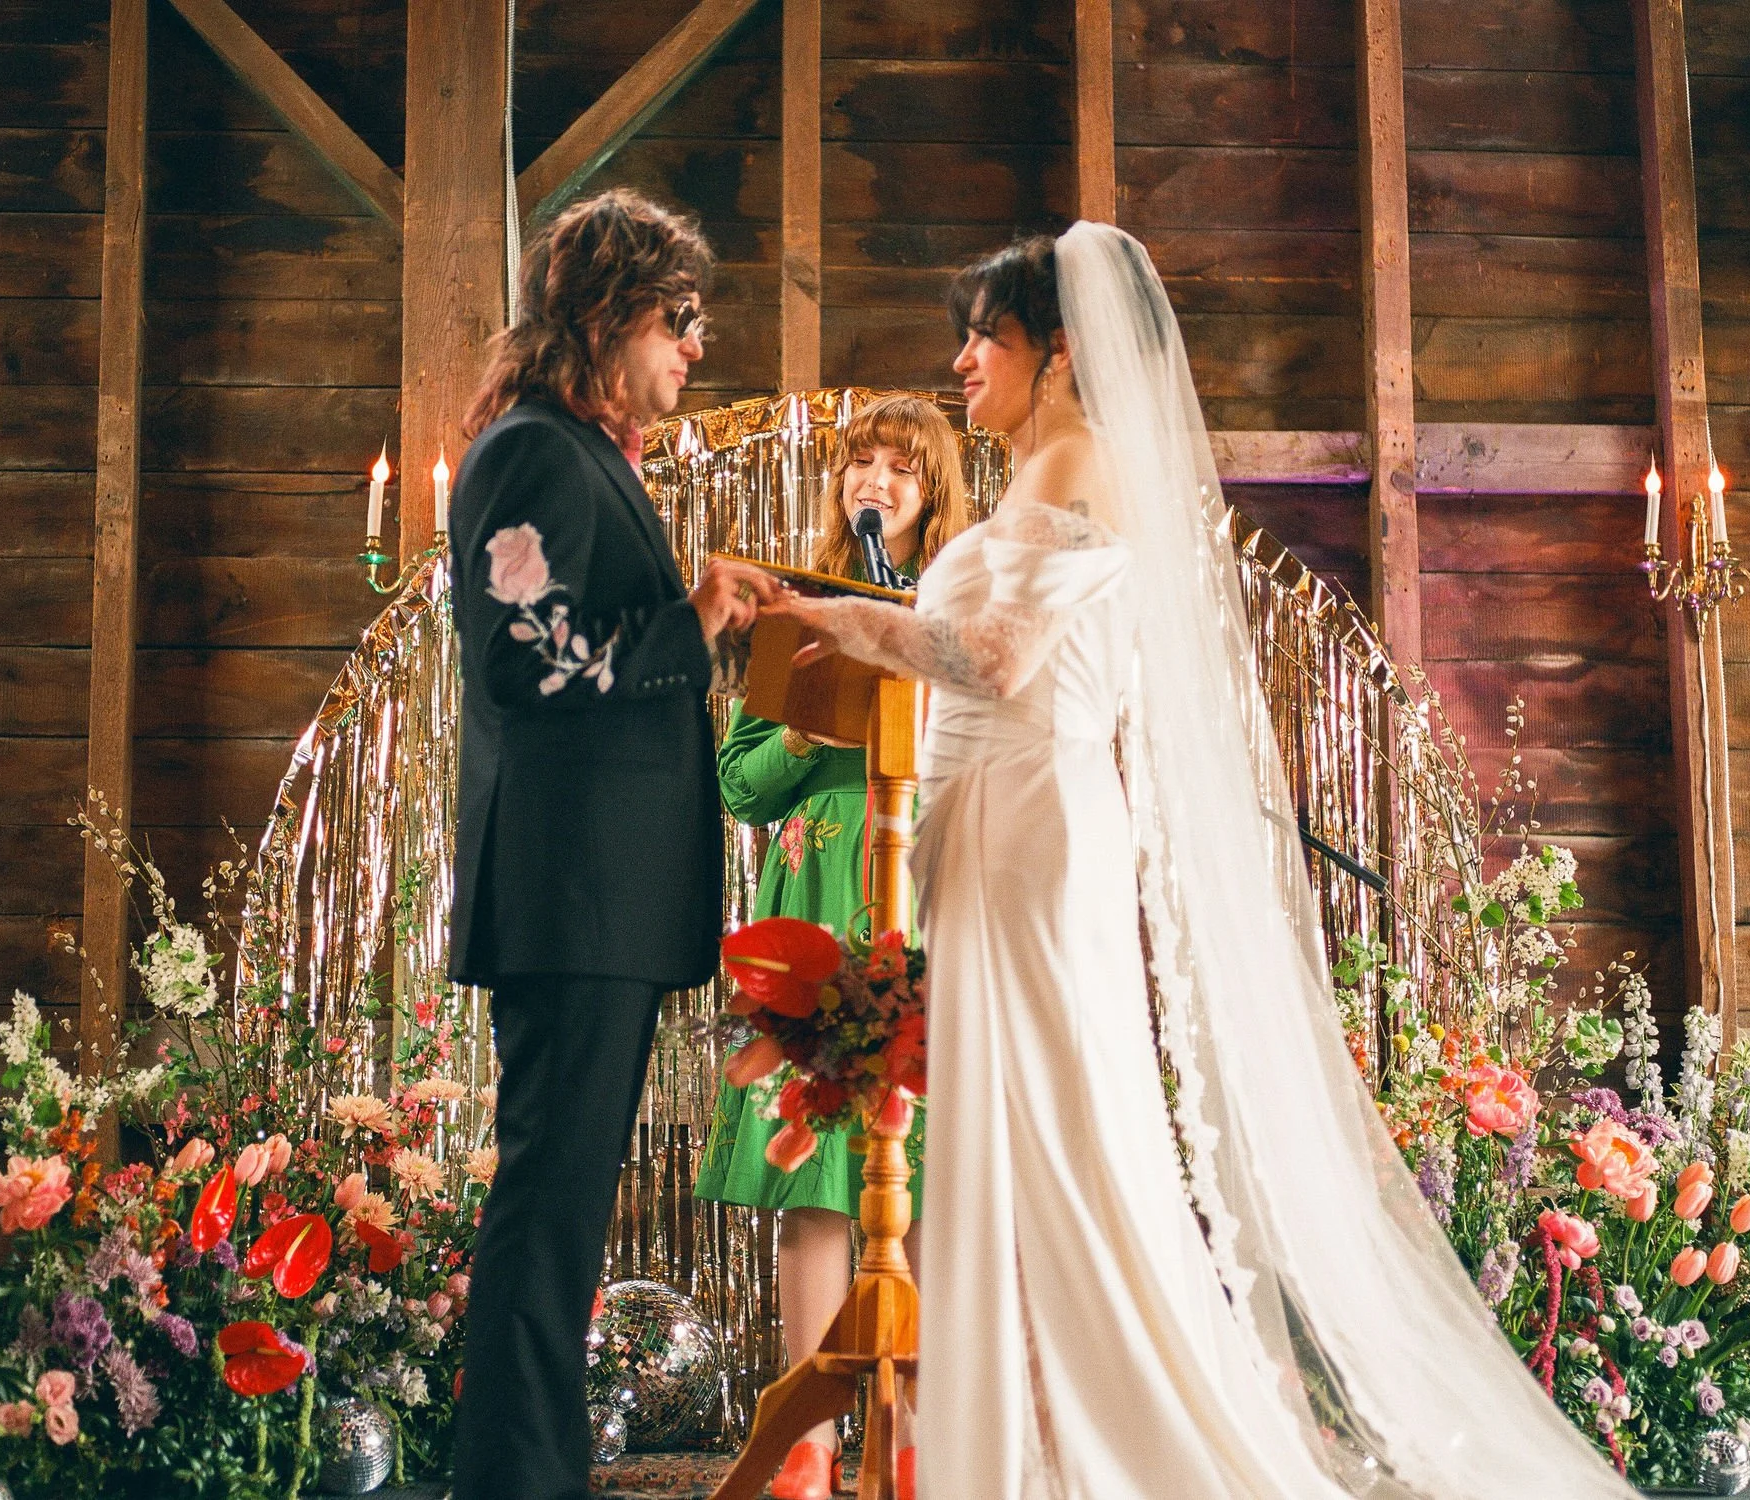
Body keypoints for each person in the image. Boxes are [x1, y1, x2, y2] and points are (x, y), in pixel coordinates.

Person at [763, 225, 1640, 1500]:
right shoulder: (1037, 469)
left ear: (1057, 355)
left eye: (983, 339)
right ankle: (1016, 1433)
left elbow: (998, 660)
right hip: (985, 822)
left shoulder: (1089, 465)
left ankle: (1080, 1444)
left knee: (1056, 1139)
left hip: (1028, 823)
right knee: (1008, 1137)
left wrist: (833, 618)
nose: (959, 362)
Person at [444, 188, 775, 1500]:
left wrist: (700, 622)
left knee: (563, 1216)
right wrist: (690, 622)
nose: (696, 348)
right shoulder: (528, 455)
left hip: (599, 906)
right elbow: (526, 658)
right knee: (547, 1210)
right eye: (681, 319)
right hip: (569, 899)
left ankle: (527, 1475)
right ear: (612, 313)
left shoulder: (582, 455)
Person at [694, 395, 971, 1500]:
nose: (876, 481)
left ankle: (924, 1442)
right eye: (860, 462)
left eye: (900, 468)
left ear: (931, 491)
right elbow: (735, 783)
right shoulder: (793, 610)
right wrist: (808, 716)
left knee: (932, 1181)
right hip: (817, 914)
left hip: (927, 905)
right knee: (818, 1189)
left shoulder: (963, 606)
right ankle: (806, 1451)